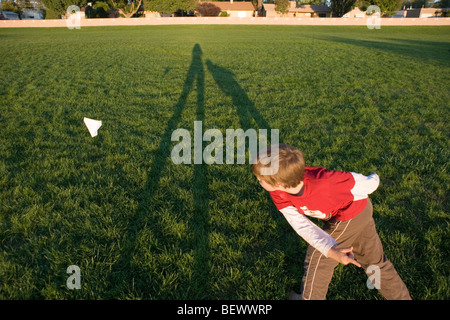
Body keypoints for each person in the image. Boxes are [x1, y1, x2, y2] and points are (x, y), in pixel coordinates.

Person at [251, 143, 411, 300]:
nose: (258, 181)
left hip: (351, 213)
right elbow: (301, 224)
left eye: (260, 180)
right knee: (374, 262)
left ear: (278, 183)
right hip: (354, 214)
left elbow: (360, 182)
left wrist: (373, 178)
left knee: (318, 257)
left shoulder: (325, 182)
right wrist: (329, 248)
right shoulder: (278, 192)